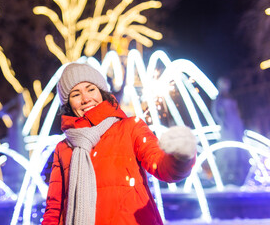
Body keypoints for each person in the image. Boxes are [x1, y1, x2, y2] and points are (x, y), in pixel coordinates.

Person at [42, 62, 197, 225]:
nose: (85, 99)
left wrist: (180, 155)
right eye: (75, 94)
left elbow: (163, 168)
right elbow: (54, 208)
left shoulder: (130, 127)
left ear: (101, 91)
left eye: (90, 89)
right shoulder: (63, 148)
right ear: (68, 104)